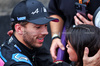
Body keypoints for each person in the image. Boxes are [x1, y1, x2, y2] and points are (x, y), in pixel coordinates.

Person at [2, 0, 100, 66]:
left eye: (45, 25)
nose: (46, 32)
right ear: (19, 29)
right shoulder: (15, 61)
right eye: (38, 27)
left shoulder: (30, 43)